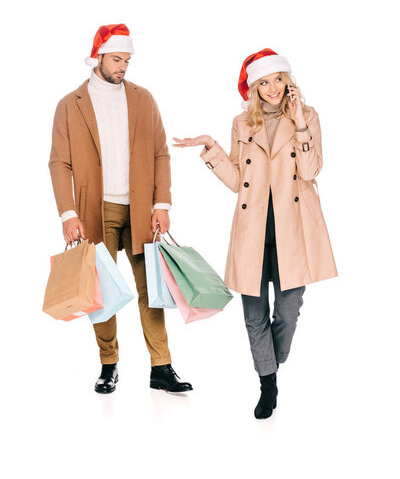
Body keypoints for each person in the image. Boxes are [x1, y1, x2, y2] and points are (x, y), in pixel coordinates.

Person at [173, 48, 337, 418]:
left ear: (288, 80)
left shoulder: (308, 116)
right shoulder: (242, 123)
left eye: (278, 79)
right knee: (253, 315)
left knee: (289, 311)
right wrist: (211, 148)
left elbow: (311, 171)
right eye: (264, 82)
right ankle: (268, 384)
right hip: (253, 229)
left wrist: (298, 124)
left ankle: (270, 363)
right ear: (254, 88)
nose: (273, 87)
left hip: (293, 229)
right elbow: (237, 181)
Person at [49, 23, 192, 394]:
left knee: (152, 290)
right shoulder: (70, 105)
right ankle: (108, 364)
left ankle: (161, 367)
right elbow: (58, 163)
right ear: (98, 56)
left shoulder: (143, 99)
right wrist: (68, 213)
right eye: (116, 59)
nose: (123, 66)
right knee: (101, 293)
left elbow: (161, 152)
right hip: (95, 211)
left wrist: (162, 203)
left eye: (127, 60)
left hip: (142, 209)